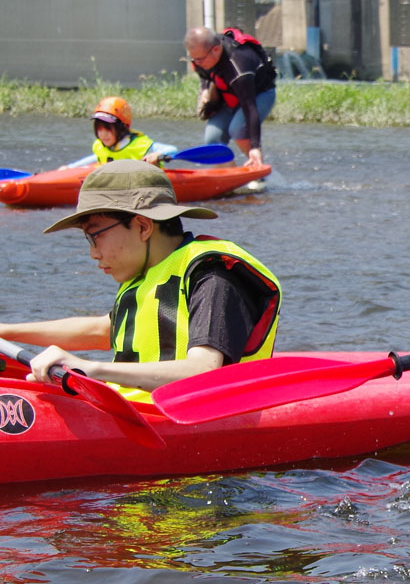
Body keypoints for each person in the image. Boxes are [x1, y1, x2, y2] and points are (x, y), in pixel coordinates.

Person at [0, 160, 282, 403]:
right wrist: (7, 331)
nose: (92, 252)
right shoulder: (146, 273)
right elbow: (104, 330)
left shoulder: (214, 275)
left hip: (189, 419)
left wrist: (89, 368)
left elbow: (203, 370)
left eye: (95, 235)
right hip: (132, 411)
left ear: (143, 227)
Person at [184, 26, 276, 169]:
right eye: (193, 59)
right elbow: (204, 74)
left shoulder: (238, 65)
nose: (197, 64)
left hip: (259, 95)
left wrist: (255, 147)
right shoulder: (200, 58)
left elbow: (250, 107)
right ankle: (229, 179)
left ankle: (258, 170)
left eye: (200, 59)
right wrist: (204, 91)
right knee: (212, 139)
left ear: (216, 49)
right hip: (230, 96)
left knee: (238, 130)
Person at [62, 96, 179, 168]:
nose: (103, 134)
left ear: (121, 128)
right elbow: (94, 158)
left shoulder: (139, 144)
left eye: (108, 129)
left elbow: (172, 149)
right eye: (99, 129)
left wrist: (157, 155)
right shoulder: (99, 145)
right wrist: (70, 167)